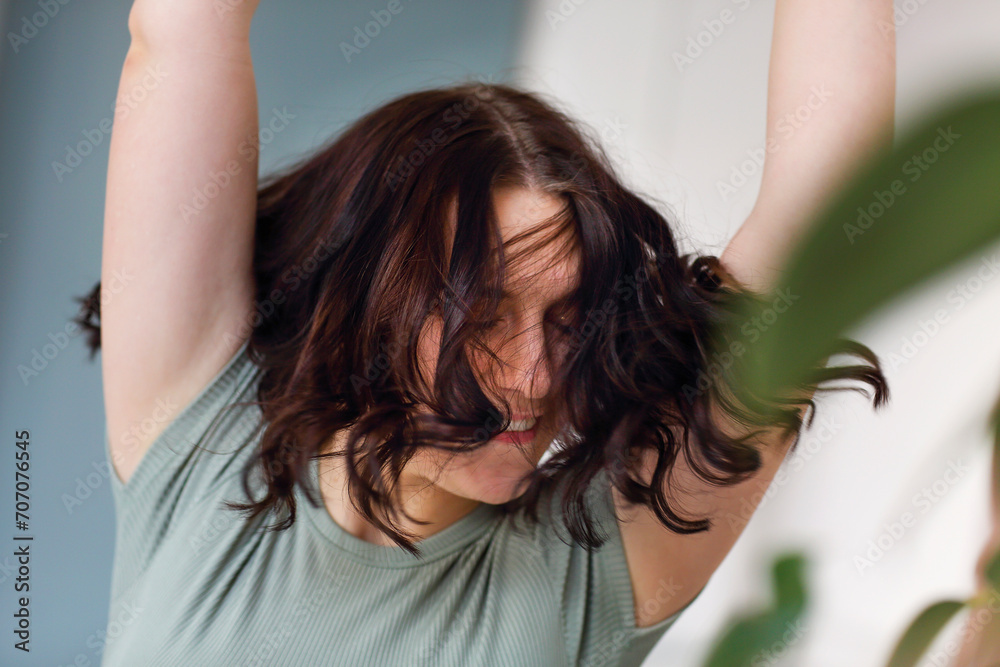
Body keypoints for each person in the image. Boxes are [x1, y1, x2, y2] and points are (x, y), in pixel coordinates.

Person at [76, 1, 894, 665]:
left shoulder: (587, 577)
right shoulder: (199, 431)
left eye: (570, 320)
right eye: (483, 314)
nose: (535, 374)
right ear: (362, 295)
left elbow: (832, 197)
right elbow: (181, 29)